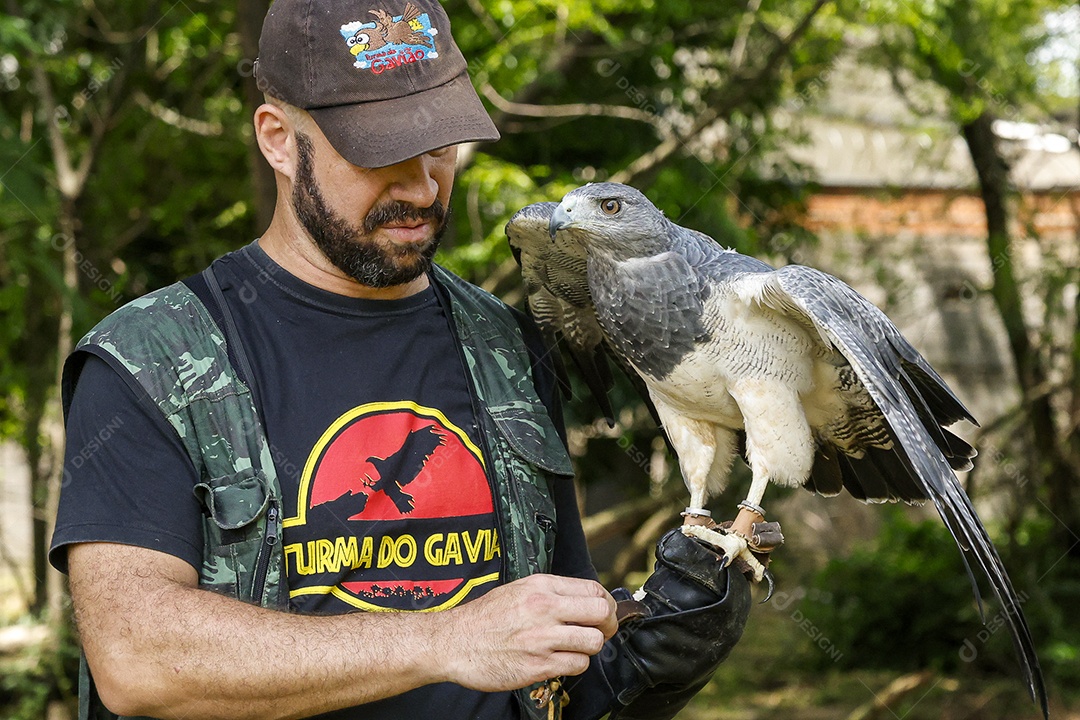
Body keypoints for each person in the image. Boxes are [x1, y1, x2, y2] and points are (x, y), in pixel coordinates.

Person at [49, 1, 751, 719]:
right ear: (279, 141)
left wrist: (640, 661)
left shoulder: (506, 346)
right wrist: (443, 640)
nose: (421, 188)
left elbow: (549, 663)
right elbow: (136, 658)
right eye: (380, 151)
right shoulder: (151, 361)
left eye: (440, 146)